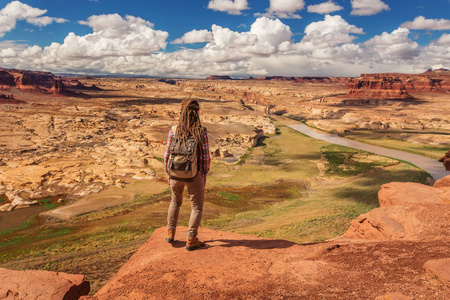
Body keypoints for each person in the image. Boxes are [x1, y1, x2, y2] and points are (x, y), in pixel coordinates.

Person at [164, 98, 210, 251]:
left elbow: (166, 155)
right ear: (196, 112)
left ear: (182, 112)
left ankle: (170, 233)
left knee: (175, 202)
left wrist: (169, 172)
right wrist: (203, 174)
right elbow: (205, 157)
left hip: (174, 173)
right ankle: (191, 239)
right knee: (196, 207)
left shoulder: (174, 130)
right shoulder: (200, 131)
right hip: (193, 175)